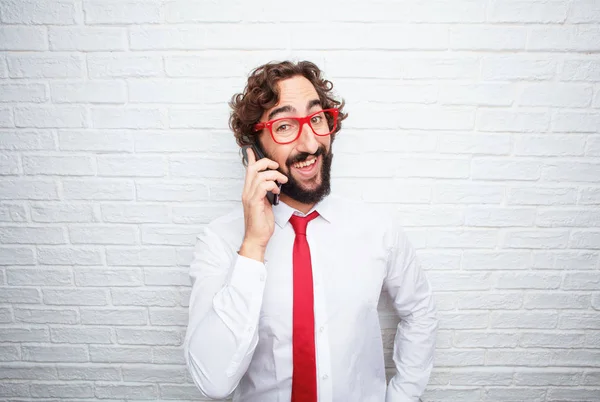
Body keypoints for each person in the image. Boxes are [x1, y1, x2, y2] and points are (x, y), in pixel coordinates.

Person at [184, 60, 438, 402]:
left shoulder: (378, 229)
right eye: (285, 125)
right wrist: (254, 245)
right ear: (253, 147)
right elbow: (212, 383)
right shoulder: (220, 242)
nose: (309, 142)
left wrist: (404, 396)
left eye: (316, 119)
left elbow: (419, 310)